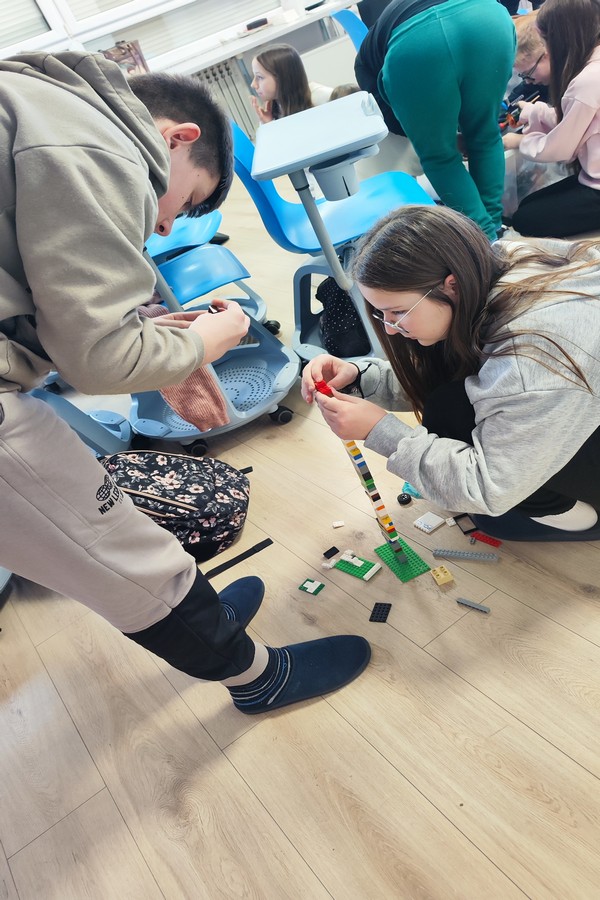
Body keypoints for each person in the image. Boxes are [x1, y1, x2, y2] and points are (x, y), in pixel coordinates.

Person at [0, 51, 370, 715]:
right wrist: (209, 341)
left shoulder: (39, 104)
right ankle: (255, 677)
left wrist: (146, 327)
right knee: (116, 545)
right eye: (187, 201)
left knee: (116, 539)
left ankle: (204, 621)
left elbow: (46, 301)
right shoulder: (93, 143)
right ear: (177, 138)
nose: (164, 226)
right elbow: (97, 361)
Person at [301, 204, 600, 534]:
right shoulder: (500, 257)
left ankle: (576, 517)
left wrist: (380, 432)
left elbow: (489, 489)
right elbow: (456, 369)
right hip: (577, 403)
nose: (388, 329)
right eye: (381, 313)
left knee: (448, 416)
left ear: (451, 285)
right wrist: (362, 378)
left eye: (397, 312)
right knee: (448, 403)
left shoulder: (530, 360)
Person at [354, 0, 516, 240]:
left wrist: (433, 135)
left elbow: (394, 114)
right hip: (487, 18)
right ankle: (497, 228)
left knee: (440, 157)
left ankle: (484, 239)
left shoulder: (365, 64)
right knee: (486, 135)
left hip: (416, 45)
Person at [503, 0, 600, 238]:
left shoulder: (587, 81)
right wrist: (535, 112)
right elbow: (580, 122)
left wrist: (521, 142)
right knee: (528, 207)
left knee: (524, 219)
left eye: (546, 40)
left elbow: (561, 149)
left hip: (596, 186)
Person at [249, 43, 332, 125]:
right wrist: (270, 124)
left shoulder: (322, 97)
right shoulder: (274, 107)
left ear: (282, 77)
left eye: (259, 77)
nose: (253, 85)